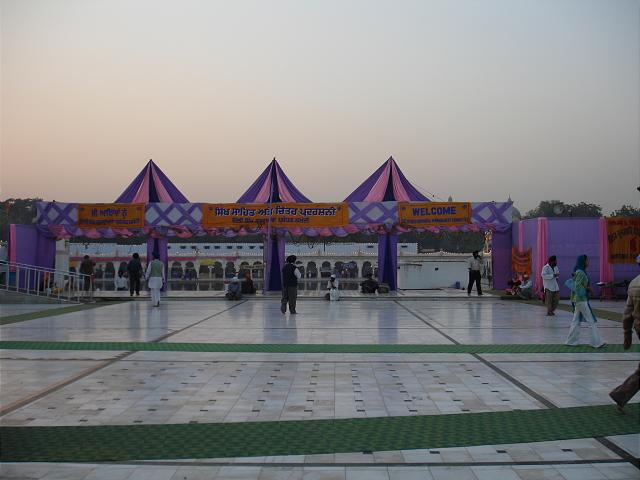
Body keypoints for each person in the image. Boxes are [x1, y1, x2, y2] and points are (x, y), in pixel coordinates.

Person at [609, 254, 640, 413]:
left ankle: (620, 395)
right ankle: (620, 395)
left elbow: (627, 313)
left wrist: (627, 335)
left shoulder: (634, 283)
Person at [565, 254, 605, 348]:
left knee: (576, 321)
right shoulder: (581, 273)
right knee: (591, 320)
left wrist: (586, 288)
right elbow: (577, 286)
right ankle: (597, 342)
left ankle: (571, 341)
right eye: (587, 260)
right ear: (583, 261)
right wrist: (587, 289)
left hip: (578, 300)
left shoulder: (579, 271)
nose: (588, 262)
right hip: (581, 300)